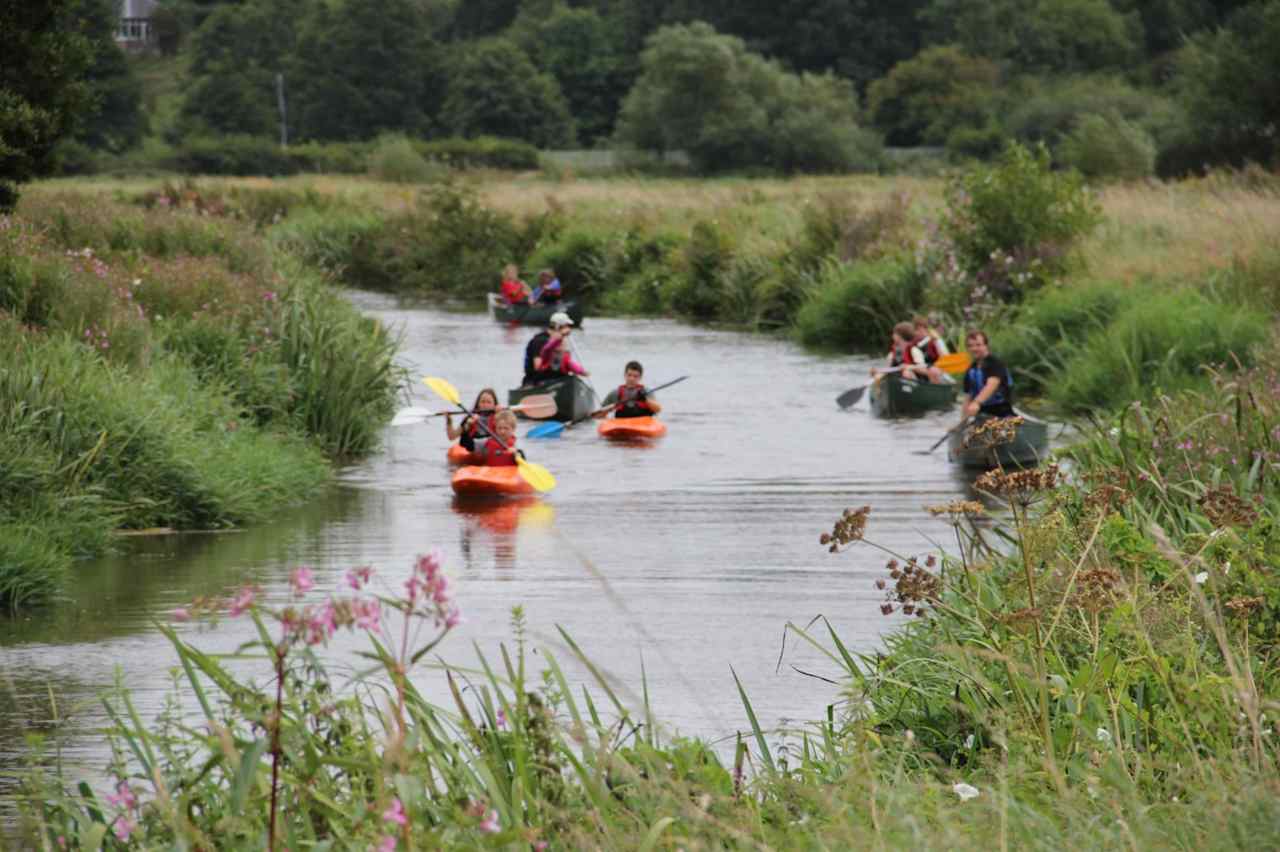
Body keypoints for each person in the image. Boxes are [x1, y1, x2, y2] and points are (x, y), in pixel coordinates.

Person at [962, 329, 1015, 419]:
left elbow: (992, 384)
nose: (974, 348)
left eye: (978, 345)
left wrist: (976, 402)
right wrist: (962, 422)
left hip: (1002, 412)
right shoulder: (971, 369)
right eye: (970, 346)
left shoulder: (995, 363)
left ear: (986, 345)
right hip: (982, 413)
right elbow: (968, 397)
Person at [595, 361, 663, 419]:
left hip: (643, 425)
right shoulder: (615, 393)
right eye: (629, 375)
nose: (631, 379)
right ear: (625, 375)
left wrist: (646, 400)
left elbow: (658, 410)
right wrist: (609, 410)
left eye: (635, 376)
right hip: (621, 426)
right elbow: (598, 415)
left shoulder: (646, 392)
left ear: (640, 377)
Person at [536, 312, 589, 377]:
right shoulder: (547, 353)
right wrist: (561, 335)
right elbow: (548, 347)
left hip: (561, 378)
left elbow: (571, 364)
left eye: (562, 345)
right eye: (566, 325)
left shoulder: (564, 356)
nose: (562, 347)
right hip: (547, 378)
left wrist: (582, 372)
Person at [912, 315, 950, 383]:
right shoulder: (913, 343)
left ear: (926, 329)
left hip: (936, 372)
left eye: (923, 329)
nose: (920, 332)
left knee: (934, 371)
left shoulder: (935, 340)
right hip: (921, 372)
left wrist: (936, 341)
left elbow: (944, 360)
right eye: (917, 330)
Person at [522, 321, 556, 386]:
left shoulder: (559, 342)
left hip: (553, 378)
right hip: (535, 380)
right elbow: (537, 366)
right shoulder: (540, 341)